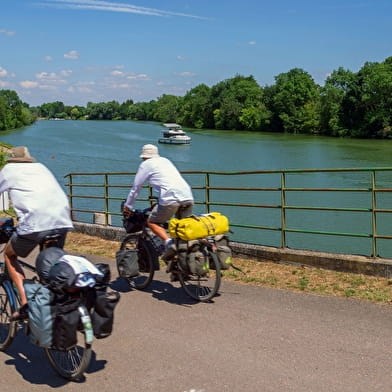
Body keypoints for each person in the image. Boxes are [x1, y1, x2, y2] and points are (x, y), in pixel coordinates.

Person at [0, 146, 74, 320]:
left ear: (11, 159)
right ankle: (57, 302)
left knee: (9, 256)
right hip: (62, 220)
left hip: (35, 223)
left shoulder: (9, 170)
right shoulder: (41, 167)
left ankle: (26, 305)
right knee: (50, 266)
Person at [123, 144, 194, 261]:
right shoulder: (165, 160)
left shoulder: (145, 165)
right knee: (182, 229)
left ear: (144, 156)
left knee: (152, 222)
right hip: (187, 196)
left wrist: (128, 206)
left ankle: (169, 243)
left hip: (170, 198)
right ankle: (184, 263)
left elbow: (136, 188)